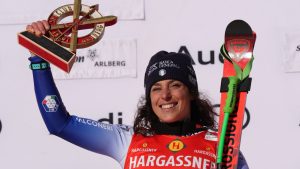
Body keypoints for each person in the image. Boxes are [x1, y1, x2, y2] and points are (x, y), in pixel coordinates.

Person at [26, 20, 249, 169]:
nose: (165, 95)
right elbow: (59, 123)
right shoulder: (127, 140)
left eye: (175, 85)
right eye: (156, 88)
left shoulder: (221, 145)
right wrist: (39, 61)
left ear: (190, 93)